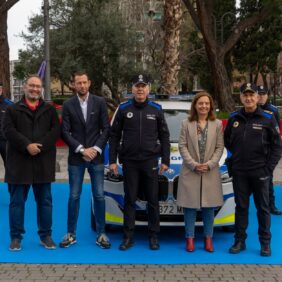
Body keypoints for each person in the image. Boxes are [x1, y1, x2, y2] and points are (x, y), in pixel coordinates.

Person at [109, 74, 170, 251]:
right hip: (130, 163)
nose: (140, 89)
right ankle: (128, 236)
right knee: (130, 200)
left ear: (148, 89)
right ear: (132, 89)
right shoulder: (123, 109)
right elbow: (114, 136)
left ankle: (153, 236)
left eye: (143, 86)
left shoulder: (156, 109)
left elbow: (164, 136)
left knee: (152, 200)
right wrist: (112, 160)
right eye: (137, 86)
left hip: (150, 161)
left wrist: (165, 159)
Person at [3, 75, 60, 251]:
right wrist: (27, 145)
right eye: (31, 86)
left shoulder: (49, 110)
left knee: (45, 202)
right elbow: (8, 131)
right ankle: (16, 238)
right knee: (17, 203)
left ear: (41, 88)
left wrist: (39, 147)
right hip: (19, 164)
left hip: (43, 163)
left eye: (38, 86)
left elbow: (55, 131)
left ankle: (45, 236)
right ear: (25, 87)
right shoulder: (12, 109)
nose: (35, 89)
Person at [224, 83, 282, 257]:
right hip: (240, 172)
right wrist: (232, 165)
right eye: (245, 95)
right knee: (241, 208)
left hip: (260, 172)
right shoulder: (234, 118)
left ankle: (265, 243)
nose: (248, 98)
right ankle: (239, 241)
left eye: (252, 95)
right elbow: (227, 143)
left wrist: (268, 169)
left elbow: (277, 147)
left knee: (263, 208)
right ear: (241, 98)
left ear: (257, 97)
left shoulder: (268, 118)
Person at [60, 71, 111, 249]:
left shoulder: (100, 102)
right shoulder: (68, 105)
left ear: (89, 83)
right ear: (73, 84)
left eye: (84, 82)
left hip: (95, 158)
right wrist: (82, 149)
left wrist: (95, 149)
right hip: (76, 157)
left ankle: (101, 234)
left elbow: (106, 129)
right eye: (78, 83)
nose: (81, 86)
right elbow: (65, 132)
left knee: (99, 195)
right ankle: (71, 234)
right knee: (74, 196)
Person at [177, 92, 224, 253]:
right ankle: (189, 238)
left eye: (207, 103)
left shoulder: (217, 124)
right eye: (200, 103)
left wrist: (210, 164)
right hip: (191, 171)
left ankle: (208, 239)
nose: (204, 106)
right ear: (195, 106)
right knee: (189, 207)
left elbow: (219, 147)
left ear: (210, 106)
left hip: (210, 171)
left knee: (208, 207)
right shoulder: (186, 123)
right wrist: (193, 164)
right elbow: (182, 146)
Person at [257, 85, 281, 215]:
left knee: (268, 181)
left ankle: (271, 205)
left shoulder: (273, 111)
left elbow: (276, 134)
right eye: (259, 94)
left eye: (263, 94)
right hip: (254, 152)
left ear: (267, 95)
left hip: (268, 153)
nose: (261, 96)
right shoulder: (252, 109)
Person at [0, 83, 13, 170]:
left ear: (0, 90)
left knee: (9, 166)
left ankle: (11, 183)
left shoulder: (9, 104)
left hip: (4, 141)